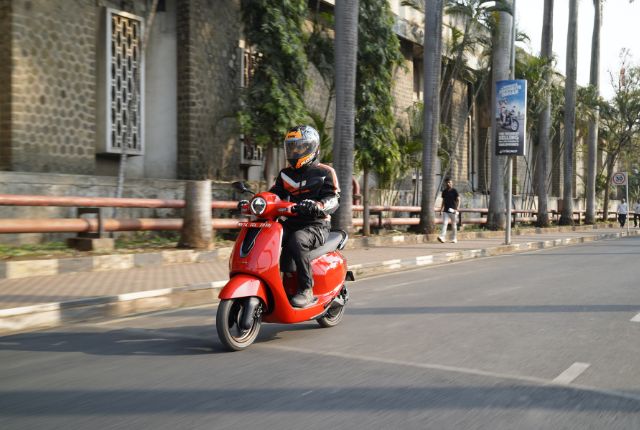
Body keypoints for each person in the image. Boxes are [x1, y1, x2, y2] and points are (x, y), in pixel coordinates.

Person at [269, 125, 340, 308]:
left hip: (316, 225)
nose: (295, 151)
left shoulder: (325, 172)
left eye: (300, 147)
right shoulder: (285, 174)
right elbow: (274, 195)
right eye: (291, 147)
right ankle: (274, 284)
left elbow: (333, 199)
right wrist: (257, 201)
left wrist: (318, 205)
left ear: (312, 148)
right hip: (291, 221)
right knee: (269, 235)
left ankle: (306, 289)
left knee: (297, 240)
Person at [438, 178, 460, 244]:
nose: (448, 184)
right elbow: (443, 201)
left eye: (449, 182)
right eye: (447, 182)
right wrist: (441, 209)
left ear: (452, 183)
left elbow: (459, 200)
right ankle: (442, 237)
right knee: (445, 223)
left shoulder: (454, 191)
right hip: (446, 210)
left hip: (453, 210)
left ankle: (454, 238)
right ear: (445, 183)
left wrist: (457, 208)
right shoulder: (444, 191)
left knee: (454, 225)